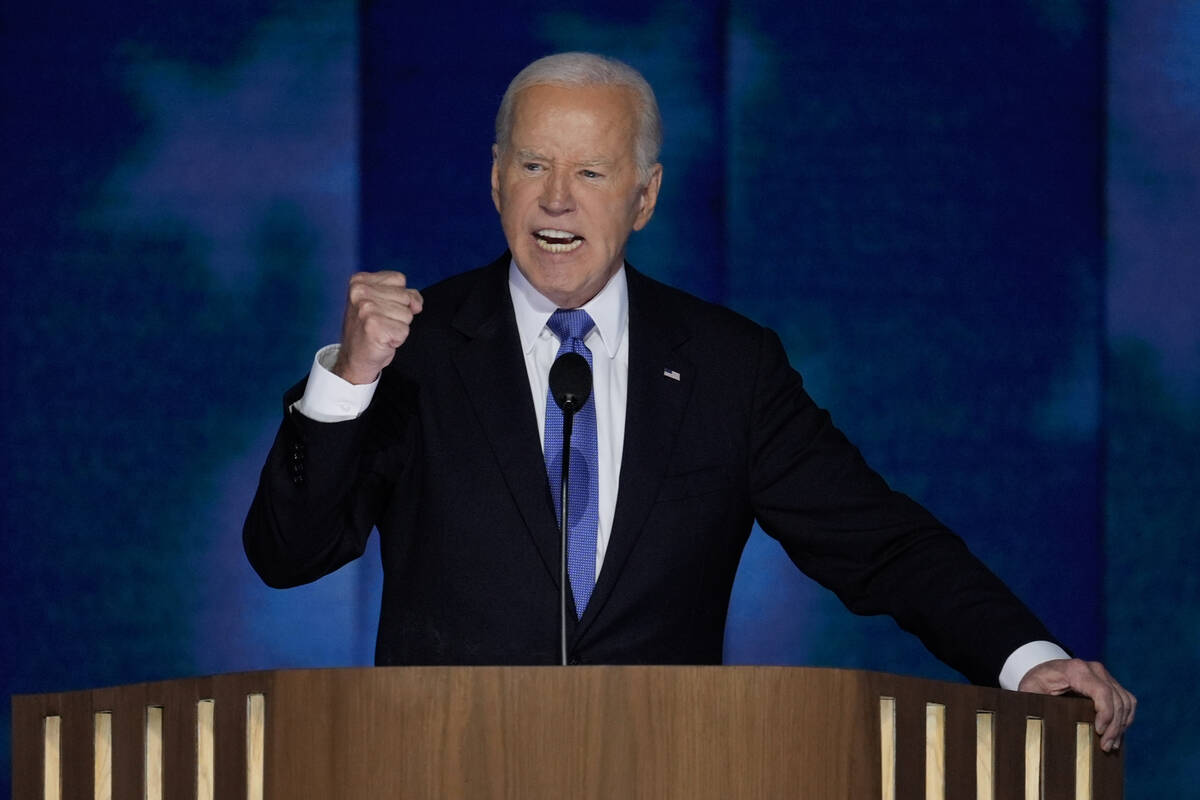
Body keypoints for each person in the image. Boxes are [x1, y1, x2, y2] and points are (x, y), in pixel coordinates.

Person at [244, 52, 1134, 751]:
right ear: (495, 180)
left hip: (669, 770)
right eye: (533, 165)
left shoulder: (725, 367)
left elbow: (881, 543)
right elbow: (289, 554)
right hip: (439, 771)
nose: (557, 200)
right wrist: (347, 381)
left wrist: (1031, 662)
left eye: (592, 172)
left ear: (646, 196)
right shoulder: (414, 352)